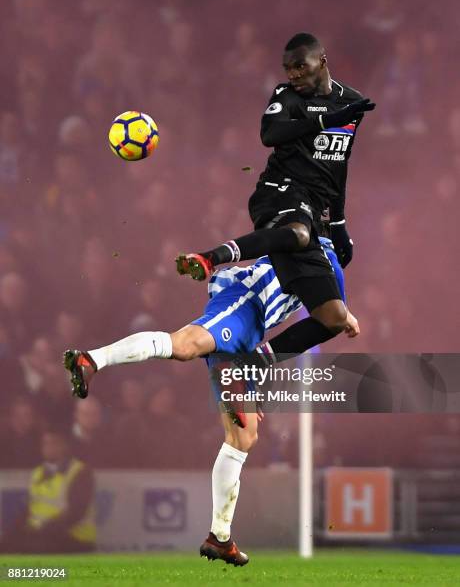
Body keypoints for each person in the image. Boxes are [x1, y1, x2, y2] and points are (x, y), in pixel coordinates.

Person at [64, 236, 359, 565]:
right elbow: (334, 311)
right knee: (185, 345)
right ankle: (91, 360)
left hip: (250, 328)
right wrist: (347, 317)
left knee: (244, 435)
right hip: (243, 302)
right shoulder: (314, 248)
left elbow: (329, 314)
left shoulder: (319, 268)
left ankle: (219, 537)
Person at [176, 32, 374, 364]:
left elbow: (339, 164)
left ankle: (250, 365)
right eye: (288, 68)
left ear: (321, 61)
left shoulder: (351, 103)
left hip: (312, 209)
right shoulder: (287, 95)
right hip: (278, 191)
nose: (293, 74)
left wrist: (338, 222)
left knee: (333, 318)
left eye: (300, 66)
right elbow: (270, 134)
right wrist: (324, 121)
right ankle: (212, 257)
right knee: (298, 234)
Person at [0, 428, 96, 554]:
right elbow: (30, 509)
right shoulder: (37, 473)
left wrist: (41, 532)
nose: (49, 447)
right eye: (45, 443)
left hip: (74, 537)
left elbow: (76, 513)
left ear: (64, 446)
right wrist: (11, 534)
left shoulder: (79, 472)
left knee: (30, 549)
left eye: (54, 443)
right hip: (42, 534)